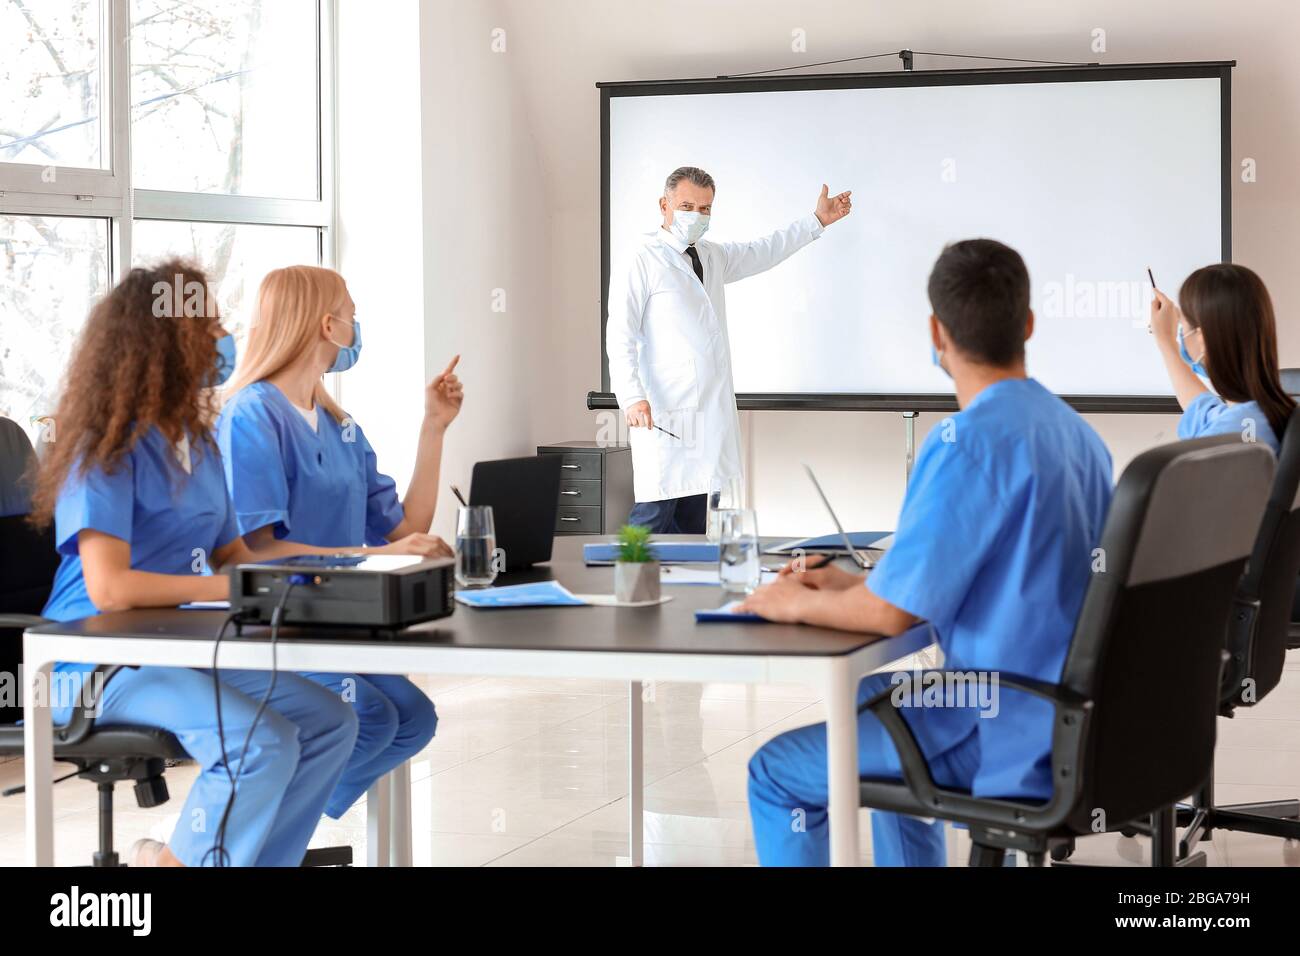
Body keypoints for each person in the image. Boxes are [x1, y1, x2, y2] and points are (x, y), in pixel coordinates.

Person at [738, 239, 1114, 866]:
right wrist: (846, 585)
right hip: (1075, 715)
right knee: (874, 697)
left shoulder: (965, 442)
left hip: (997, 725)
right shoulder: (1080, 436)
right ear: (1028, 324)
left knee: (774, 773)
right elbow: (973, 570)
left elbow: (892, 616)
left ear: (936, 332)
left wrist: (787, 602)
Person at [30, 260, 360, 867]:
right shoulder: (103, 448)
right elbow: (110, 589)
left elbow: (235, 553)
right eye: (208, 324)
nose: (223, 336)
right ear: (164, 340)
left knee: (329, 722)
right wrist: (230, 589)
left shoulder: (197, 441)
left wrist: (303, 577)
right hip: (95, 662)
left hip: (176, 647)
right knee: (257, 742)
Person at [217, 265, 462, 821]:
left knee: (414, 720)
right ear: (328, 326)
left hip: (337, 617)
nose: (357, 326)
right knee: (371, 716)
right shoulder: (252, 416)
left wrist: (434, 428)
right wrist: (373, 556)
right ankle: (243, 835)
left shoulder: (338, 422)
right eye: (352, 314)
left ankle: (265, 827)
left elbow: (404, 527)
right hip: (275, 622)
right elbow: (255, 552)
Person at [605, 165, 852, 533]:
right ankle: (629, 588)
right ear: (664, 205)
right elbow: (620, 332)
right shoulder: (643, 259)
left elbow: (764, 250)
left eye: (705, 209)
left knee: (692, 526)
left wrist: (816, 220)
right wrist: (630, 397)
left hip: (707, 422)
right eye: (688, 206)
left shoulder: (711, 256)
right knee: (653, 520)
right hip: (665, 416)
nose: (697, 215)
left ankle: (683, 591)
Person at [1150, 263, 1293, 453]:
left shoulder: (1230, 435)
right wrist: (1166, 340)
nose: (1181, 334)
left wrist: (1166, 339)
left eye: (1182, 326)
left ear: (1202, 340)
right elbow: (1201, 409)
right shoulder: (1269, 412)